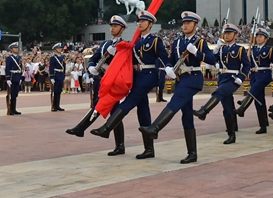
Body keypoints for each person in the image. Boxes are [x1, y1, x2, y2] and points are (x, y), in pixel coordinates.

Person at [139, 11, 216, 164]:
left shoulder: (199, 42)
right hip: (181, 79)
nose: (185, 25)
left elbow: (212, 59)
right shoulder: (177, 42)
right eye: (184, 23)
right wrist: (168, 68)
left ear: (195, 25)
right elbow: (170, 59)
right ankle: (192, 153)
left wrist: (197, 53)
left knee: (175, 101)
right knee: (186, 115)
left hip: (193, 79)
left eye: (188, 23)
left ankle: (155, 128)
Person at [90, 10, 169, 159]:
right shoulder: (136, 41)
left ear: (150, 24)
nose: (139, 23)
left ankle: (107, 128)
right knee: (143, 110)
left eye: (143, 21)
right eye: (138, 21)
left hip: (149, 76)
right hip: (137, 76)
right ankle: (149, 149)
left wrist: (168, 69)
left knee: (129, 101)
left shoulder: (155, 40)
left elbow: (164, 58)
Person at [66, 16, 126, 140]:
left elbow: (124, 63)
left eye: (115, 26)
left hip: (113, 82)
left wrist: (117, 54)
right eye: (111, 26)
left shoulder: (124, 44)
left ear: (122, 28)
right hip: (102, 79)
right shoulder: (105, 44)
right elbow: (94, 58)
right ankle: (119, 145)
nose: (112, 29)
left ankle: (81, 128)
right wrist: (92, 66)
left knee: (101, 107)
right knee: (113, 112)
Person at [193, 23, 250, 144]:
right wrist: (216, 49)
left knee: (219, 92)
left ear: (235, 35)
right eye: (225, 33)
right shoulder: (222, 49)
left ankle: (204, 111)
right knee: (227, 108)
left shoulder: (239, 49)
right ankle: (231, 134)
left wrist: (241, 77)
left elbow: (247, 65)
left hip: (233, 79)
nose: (227, 35)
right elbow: (212, 60)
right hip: (222, 78)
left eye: (229, 33)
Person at [234, 27, 273, 134]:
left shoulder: (269, 50)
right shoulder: (252, 50)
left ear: (265, 39)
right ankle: (263, 125)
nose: (258, 38)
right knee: (259, 101)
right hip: (254, 75)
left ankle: (242, 107)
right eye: (257, 36)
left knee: (253, 91)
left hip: (264, 75)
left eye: (261, 37)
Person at [5, 42, 24, 115]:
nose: (16, 49)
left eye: (17, 48)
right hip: (12, 76)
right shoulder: (9, 58)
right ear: (11, 49)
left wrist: (20, 77)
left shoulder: (19, 58)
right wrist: (8, 78)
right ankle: (10, 109)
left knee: (15, 94)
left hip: (17, 76)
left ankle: (14, 109)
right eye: (15, 48)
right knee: (11, 93)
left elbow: (21, 68)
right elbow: (7, 69)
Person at [48, 43, 66, 111]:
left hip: (61, 75)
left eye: (60, 48)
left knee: (59, 91)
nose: (60, 49)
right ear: (55, 50)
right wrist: (52, 77)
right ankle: (54, 106)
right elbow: (51, 67)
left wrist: (63, 74)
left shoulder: (62, 57)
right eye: (58, 48)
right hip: (56, 75)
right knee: (54, 91)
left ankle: (58, 105)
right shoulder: (53, 58)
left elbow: (64, 67)